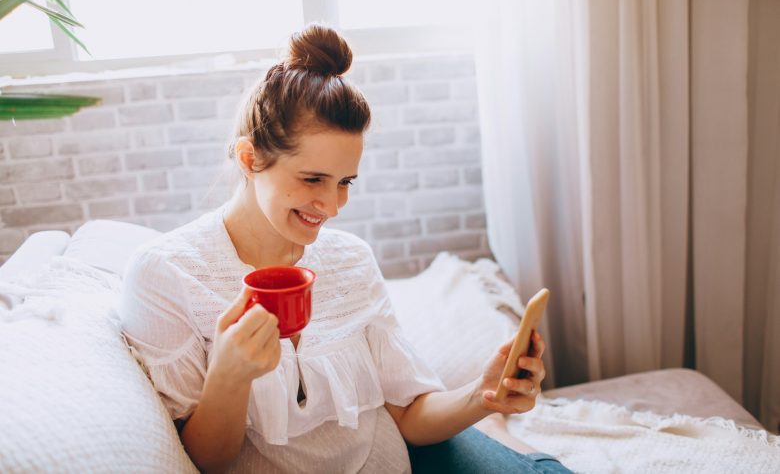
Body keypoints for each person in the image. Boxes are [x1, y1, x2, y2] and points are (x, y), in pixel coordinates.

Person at [118, 24, 571, 474]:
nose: (332, 206)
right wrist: (228, 376)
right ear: (249, 159)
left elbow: (409, 414)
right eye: (312, 179)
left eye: (345, 182)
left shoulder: (350, 258)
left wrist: (482, 395)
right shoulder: (167, 274)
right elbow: (205, 463)